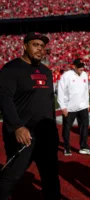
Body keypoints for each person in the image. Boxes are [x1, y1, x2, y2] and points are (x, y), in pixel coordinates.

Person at [0, 32, 61, 200]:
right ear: (25, 46)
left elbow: (49, 103)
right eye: (35, 45)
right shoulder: (11, 69)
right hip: (23, 134)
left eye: (42, 46)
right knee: (12, 176)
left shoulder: (46, 72)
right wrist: (17, 126)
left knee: (51, 178)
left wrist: (53, 131)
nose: (40, 49)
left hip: (45, 135)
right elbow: (4, 100)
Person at [57, 58, 90, 156]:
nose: (81, 69)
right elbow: (60, 91)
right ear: (73, 66)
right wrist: (63, 106)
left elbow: (86, 90)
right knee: (67, 127)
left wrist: (87, 104)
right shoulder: (66, 76)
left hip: (82, 106)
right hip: (69, 107)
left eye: (82, 66)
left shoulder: (84, 75)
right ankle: (66, 147)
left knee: (84, 127)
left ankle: (83, 146)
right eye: (79, 67)